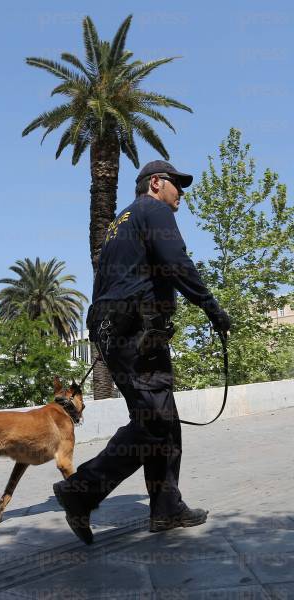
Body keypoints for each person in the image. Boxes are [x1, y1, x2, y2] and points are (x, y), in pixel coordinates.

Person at [53, 160, 231, 545]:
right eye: (176, 186)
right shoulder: (154, 210)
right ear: (155, 183)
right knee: (154, 420)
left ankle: (166, 508)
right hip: (134, 327)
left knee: (161, 418)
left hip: (111, 324)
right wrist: (212, 307)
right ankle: (80, 490)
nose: (180, 194)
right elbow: (176, 263)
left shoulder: (121, 221)